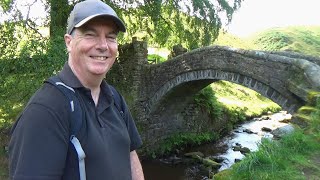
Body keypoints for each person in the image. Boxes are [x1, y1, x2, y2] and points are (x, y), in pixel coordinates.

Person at [8, 0, 144, 179]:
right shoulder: (45, 110)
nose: (103, 45)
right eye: (90, 35)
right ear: (69, 42)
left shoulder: (115, 99)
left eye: (111, 37)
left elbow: (129, 153)